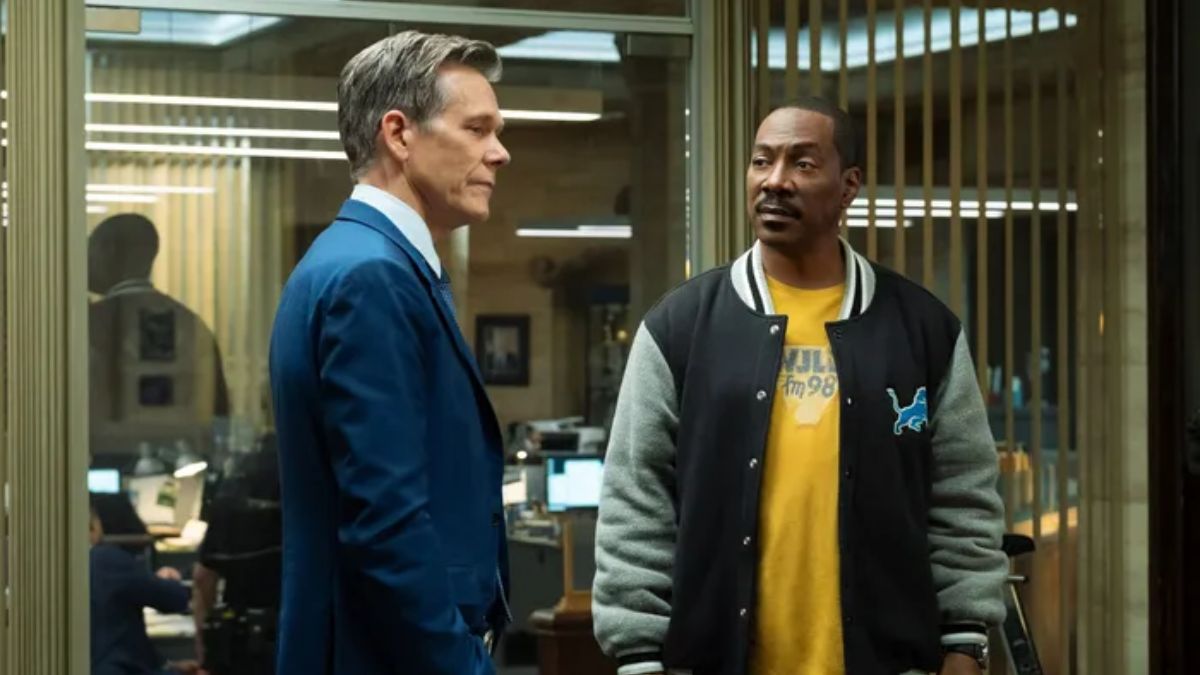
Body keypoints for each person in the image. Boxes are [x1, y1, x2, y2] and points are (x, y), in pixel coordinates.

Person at [593, 96, 1007, 675]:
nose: (775, 181)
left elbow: (964, 495)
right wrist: (637, 652)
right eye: (762, 161)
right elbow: (635, 498)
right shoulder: (681, 327)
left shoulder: (922, 330)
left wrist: (965, 638)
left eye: (802, 163)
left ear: (849, 185)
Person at [268, 30, 512, 675]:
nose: (499, 153)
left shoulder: (365, 261)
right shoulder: (370, 276)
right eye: (477, 129)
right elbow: (386, 523)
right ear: (399, 134)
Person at [88, 213, 230, 460]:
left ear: (109, 251)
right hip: (183, 464)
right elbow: (219, 415)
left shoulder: (88, 325)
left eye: (90, 250)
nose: (84, 261)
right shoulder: (192, 325)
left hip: (99, 465)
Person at [89, 495, 198, 675]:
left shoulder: (85, 561)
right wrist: (168, 581)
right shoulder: (107, 558)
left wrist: (168, 666)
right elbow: (176, 599)